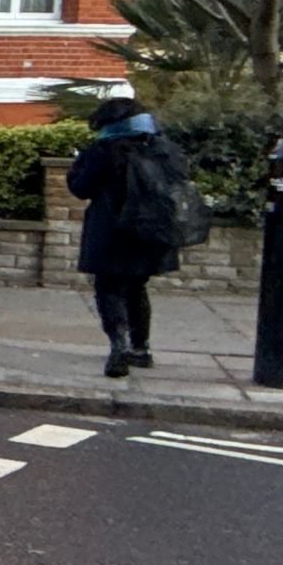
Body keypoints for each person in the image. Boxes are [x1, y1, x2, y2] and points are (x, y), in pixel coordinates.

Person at [66, 95, 190, 377]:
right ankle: (141, 348)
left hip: (112, 229)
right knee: (137, 287)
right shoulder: (163, 147)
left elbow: (81, 188)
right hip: (151, 230)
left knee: (109, 288)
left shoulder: (104, 149)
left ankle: (118, 345)